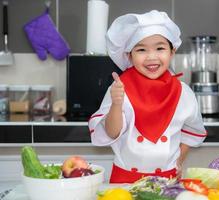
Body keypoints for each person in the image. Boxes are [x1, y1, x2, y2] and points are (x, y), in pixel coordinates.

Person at [88, 10, 207, 183]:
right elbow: (112, 133)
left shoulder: (183, 92)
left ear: (172, 52)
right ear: (130, 56)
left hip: (168, 180)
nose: (152, 57)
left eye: (160, 48)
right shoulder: (119, 88)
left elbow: (190, 133)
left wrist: (178, 162)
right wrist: (116, 103)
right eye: (141, 50)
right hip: (124, 182)